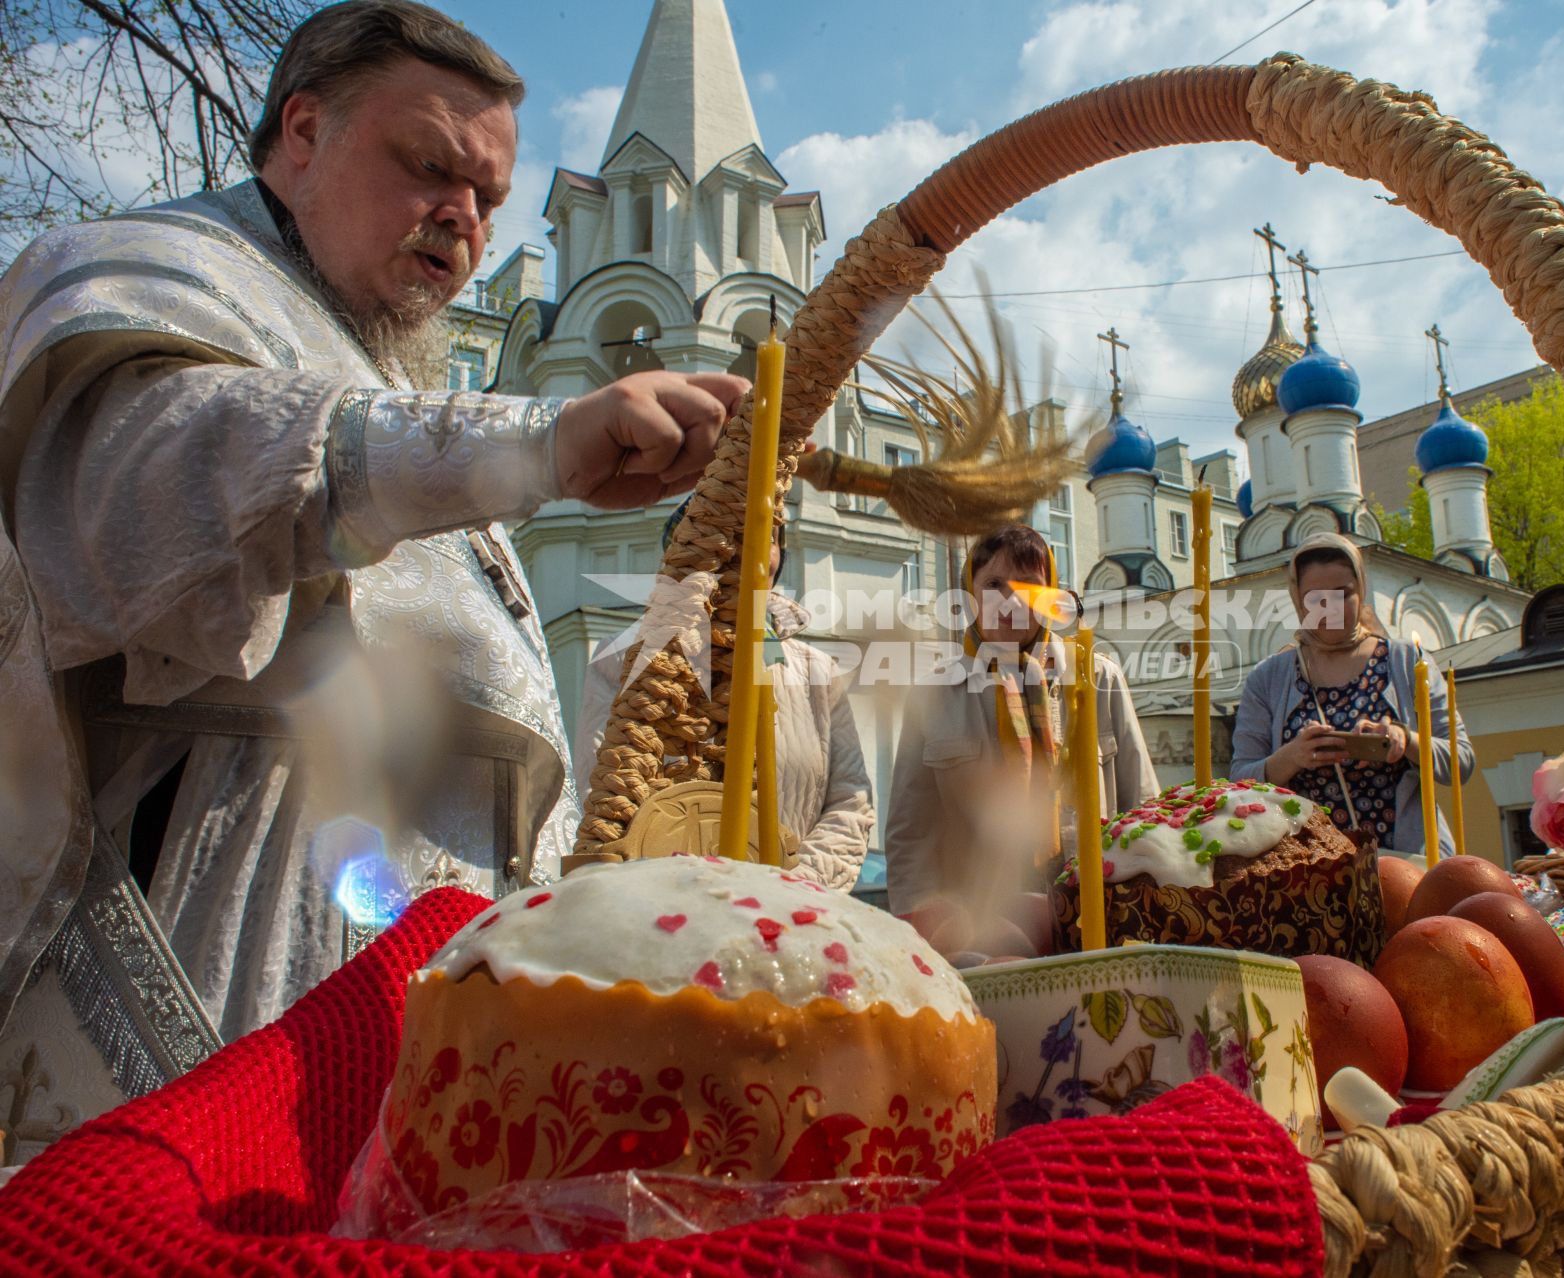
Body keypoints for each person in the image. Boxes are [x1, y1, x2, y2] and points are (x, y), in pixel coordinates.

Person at [0, 0, 747, 1065]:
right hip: (214, 985)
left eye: (488, 199)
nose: (463, 219)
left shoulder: (377, 363)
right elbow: (146, 486)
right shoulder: (158, 270)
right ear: (303, 132)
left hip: (412, 1008)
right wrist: (536, 447)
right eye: (429, 167)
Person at [885, 523, 1158, 956]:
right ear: (969, 593)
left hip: (1096, 915)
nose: (1010, 600)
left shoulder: (1097, 677)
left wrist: (1144, 907)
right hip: (978, 926)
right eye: (994, 584)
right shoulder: (935, 694)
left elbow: (1141, 803)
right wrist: (929, 926)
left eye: (1029, 586)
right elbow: (910, 832)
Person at [574, 503, 875, 888]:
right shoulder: (623, 660)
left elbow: (850, 801)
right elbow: (601, 793)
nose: (750, 547)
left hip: (793, 913)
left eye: (768, 535)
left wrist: (799, 885)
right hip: (666, 907)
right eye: (730, 529)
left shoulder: (817, 672)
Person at [1229, 532, 1472, 857]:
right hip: (1308, 872)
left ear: (1362, 590)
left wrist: (1405, 741)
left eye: (1344, 594)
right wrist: (1292, 757)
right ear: (1296, 598)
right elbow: (1239, 782)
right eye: (1316, 599)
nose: (1331, 609)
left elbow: (1461, 761)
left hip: (1408, 865)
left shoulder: (1407, 662)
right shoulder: (1268, 678)